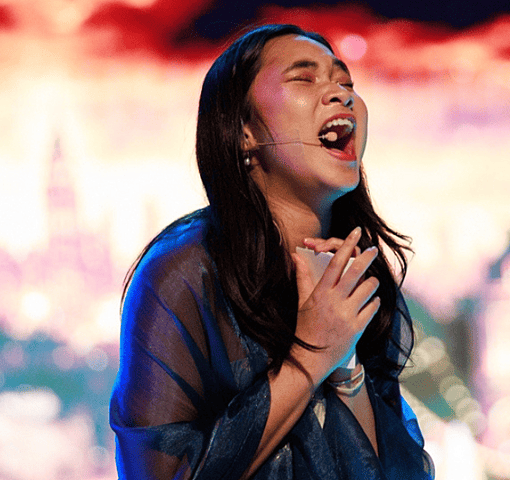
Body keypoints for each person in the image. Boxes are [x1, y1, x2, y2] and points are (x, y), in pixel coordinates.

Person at [110, 24, 435, 479]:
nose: (339, 95)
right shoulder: (182, 272)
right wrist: (311, 355)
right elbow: (161, 472)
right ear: (243, 132)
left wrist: (346, 369)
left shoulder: (358, 271)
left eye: (346, 84)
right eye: (304, 79)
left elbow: (397, 470)